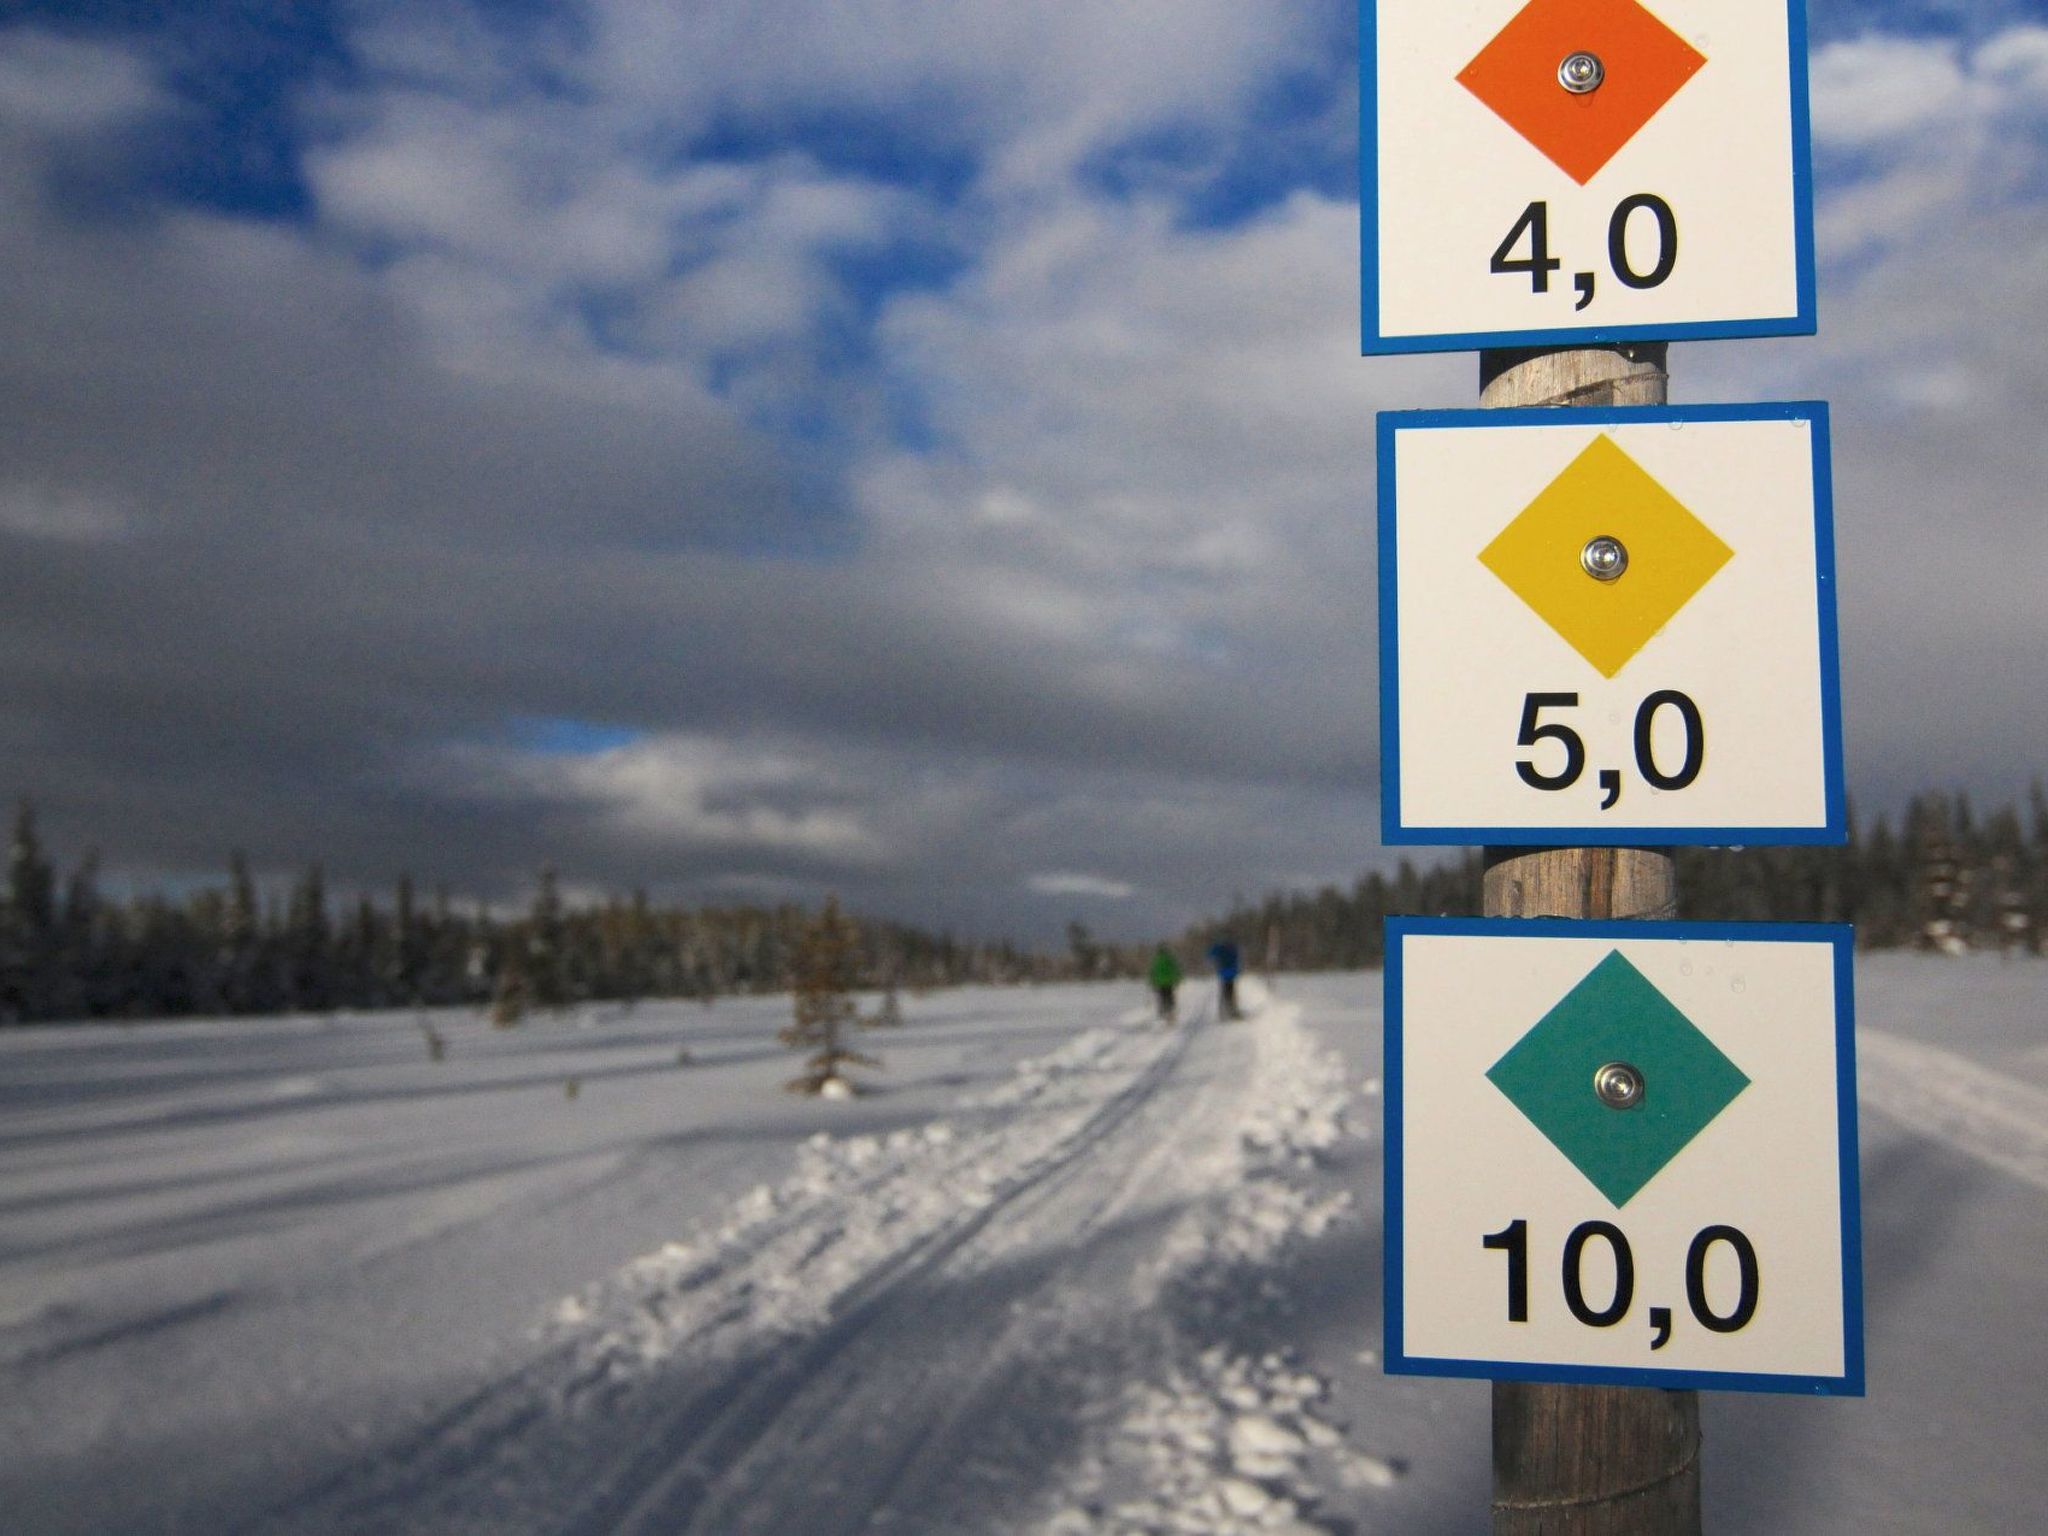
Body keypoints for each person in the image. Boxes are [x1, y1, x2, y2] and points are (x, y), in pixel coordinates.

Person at [1207, 938, 1242, 1021]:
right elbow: (1237, 958)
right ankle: (1233, 1010)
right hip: (1232, 972)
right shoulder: (1232, 947)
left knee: (1224, 992)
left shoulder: (1219, 948)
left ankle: (1223, 1013)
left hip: (1223, 973)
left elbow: (1209, 954)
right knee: (1231, 991)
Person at [1148, 944, 1183, 1023]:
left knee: (1162, 996)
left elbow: (1152, 972)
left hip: (1159, 982)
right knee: (1170, 995)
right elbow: (1176, 969)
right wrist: (1178, 979)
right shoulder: (1170, 959)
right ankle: (1171, 1011)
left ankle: (1164, 1011)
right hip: (1169, 981)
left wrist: (1151, 981)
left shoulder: (1156, 961)